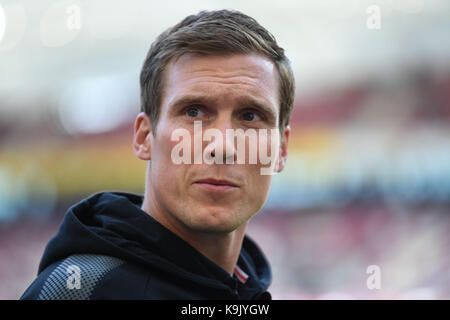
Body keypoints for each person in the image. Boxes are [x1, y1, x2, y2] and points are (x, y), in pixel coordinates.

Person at [20, 9, 294, 300]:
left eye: (250, 116)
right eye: (193, 112)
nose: (223, 146)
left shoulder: (246, 292)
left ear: (281, 149)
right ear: (144, 137)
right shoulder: (76, 292)